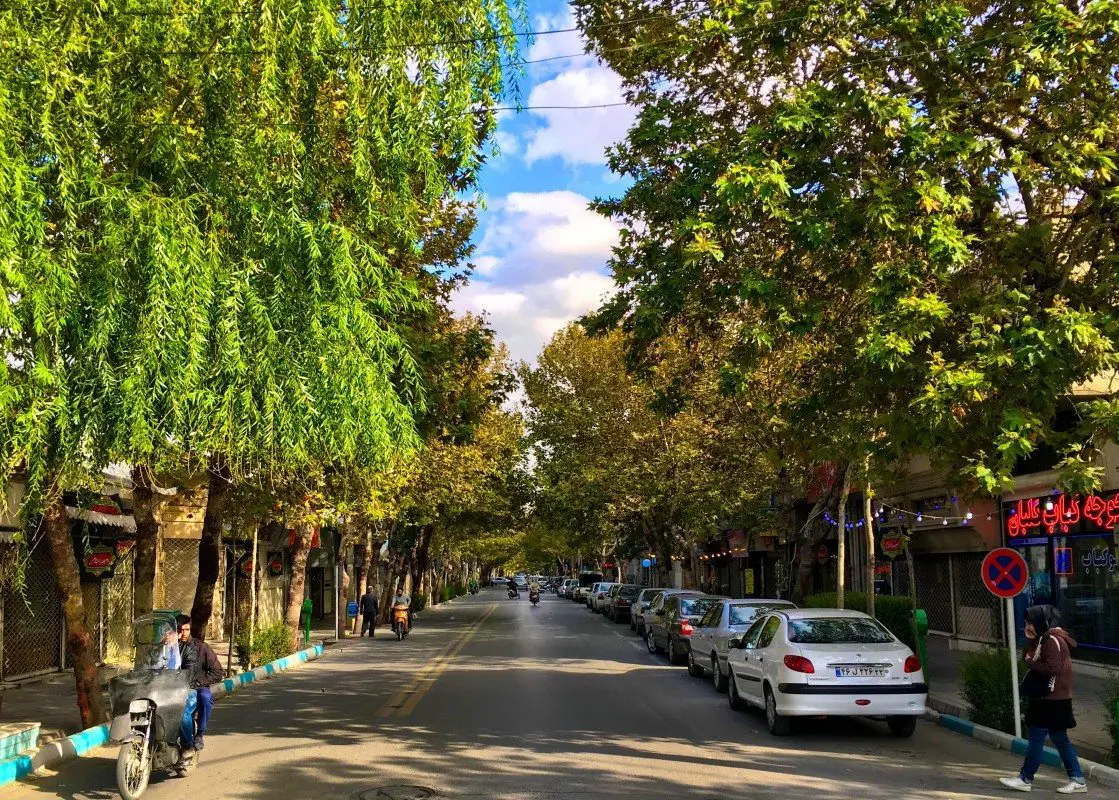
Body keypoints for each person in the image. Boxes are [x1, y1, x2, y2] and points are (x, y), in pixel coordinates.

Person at [999, 605, 1086, 794]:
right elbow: (1033, 657)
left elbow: (1052, 668)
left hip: (1050, 699)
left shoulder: (1051, 640)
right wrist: (1031, 643)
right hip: (1057, 698)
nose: (1027, 625)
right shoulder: (1044, 639)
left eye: (1030, 622)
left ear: (1041, 621)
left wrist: (1030, 661)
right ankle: (1077, 779)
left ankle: (1025, 778)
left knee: (1036, 737)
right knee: (1059, 738)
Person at [176, 614, 223, 752]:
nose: (183, 633)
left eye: (186, 629)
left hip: (197, 687)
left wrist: (198, 683)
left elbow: (218, 672)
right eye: (180, 630)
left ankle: (199, 734)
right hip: (173, 688)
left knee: (205, 697)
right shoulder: (168, 648)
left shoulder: (201, 647)